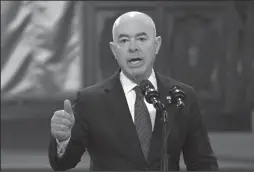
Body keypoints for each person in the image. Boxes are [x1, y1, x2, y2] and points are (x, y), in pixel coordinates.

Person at [48, 11, 218, 171]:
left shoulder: (182, 96)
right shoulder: (90, 101)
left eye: (142, 39)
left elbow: (203, 163)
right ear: (114, 50)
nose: (133, 47)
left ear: (157, 45)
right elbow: (63, 164)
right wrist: (63, 139)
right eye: (124, 40)